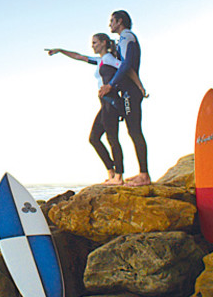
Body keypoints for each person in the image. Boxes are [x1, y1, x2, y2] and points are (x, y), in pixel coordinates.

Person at [46, 34, 126, 185]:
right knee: (94, 138)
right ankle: (111, 171)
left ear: (103, 43)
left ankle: (119, 176)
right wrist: (60, 50)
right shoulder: (100, 60)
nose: (93, 45)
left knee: (112, 139)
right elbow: (79, 56)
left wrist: (112, 86)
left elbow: (124, 68)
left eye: (95, 42)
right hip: (104, 103)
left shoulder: (108, 58)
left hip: (111, 101)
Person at [99, 10, 151, 187]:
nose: (110, 25)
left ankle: (144, 175)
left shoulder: (127, 36)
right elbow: (127, 67)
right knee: (132, 131)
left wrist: (111, 85)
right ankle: (142, 173)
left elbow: (127, 65)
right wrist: (140, 85)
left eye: (112, 20)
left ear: (120, 21)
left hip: (130, 92)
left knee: (135, 130)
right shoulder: (123, 39)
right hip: (129, 90)